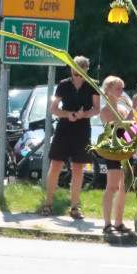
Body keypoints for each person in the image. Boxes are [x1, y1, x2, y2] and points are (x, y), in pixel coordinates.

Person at [41, 56, 99, 219]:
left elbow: (96, 109)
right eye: (75, 74)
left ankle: (74, 207)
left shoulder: (92, 85)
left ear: (87, 70)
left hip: (82, 129)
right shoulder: (63, 85)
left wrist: (83, 114)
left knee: (78, 168)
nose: (78, 77)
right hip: (64, 128)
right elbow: (53, 108)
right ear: (71, 71)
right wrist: (67, 114)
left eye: (81, 74)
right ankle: (47, 203)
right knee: (56, 165)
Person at [99, 76, 132, 235]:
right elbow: (120, 126)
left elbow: (131, 128)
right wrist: (134, 110)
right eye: (117, 88)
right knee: (111, 186)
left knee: (123, 188)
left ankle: (118, 222)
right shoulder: (105, 110)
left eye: (122, 88)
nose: (121, 91)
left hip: (125, 149)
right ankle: (107, 223)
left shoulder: (123, 108)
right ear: (108, 90)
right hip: (113, 150)